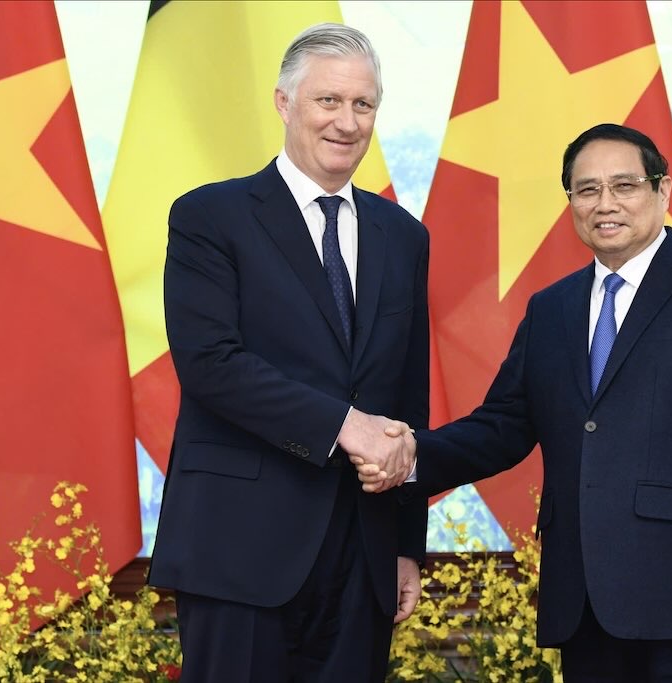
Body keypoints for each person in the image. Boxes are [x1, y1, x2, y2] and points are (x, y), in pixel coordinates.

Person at [362, 123, 672, 681]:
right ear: (570, 202)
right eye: (586, 190)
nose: (605, 203)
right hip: (585, 607)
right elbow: (503, 426)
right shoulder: (553, 308)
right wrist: (406, 454)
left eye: (624, 185)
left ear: (662, 191)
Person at [148, 23, 429, 683]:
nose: (347, 121)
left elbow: (406, 399)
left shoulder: (404, 236)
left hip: (362, 555)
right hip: (239, 548)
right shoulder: (209, 218)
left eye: (363, 105)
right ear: (283, 102)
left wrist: (405, 544)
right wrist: (344, 425)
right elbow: (211, 362)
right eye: (328, 101)